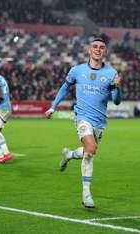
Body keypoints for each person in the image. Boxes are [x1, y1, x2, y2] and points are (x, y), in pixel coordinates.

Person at [45, 37, 122, 208]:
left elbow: (116, 101)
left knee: (88, 153)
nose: (98, 49)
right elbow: (65, 87)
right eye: (95, 46)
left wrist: (117, 87)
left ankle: (69, 155)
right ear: (89, 50)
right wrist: (53, 107)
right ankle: (86, 194)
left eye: (102, 47)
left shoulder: (111, 74)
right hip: (82, 117)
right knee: (92, 149)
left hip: (100, 122)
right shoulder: (77, 70)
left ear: (105, 52)